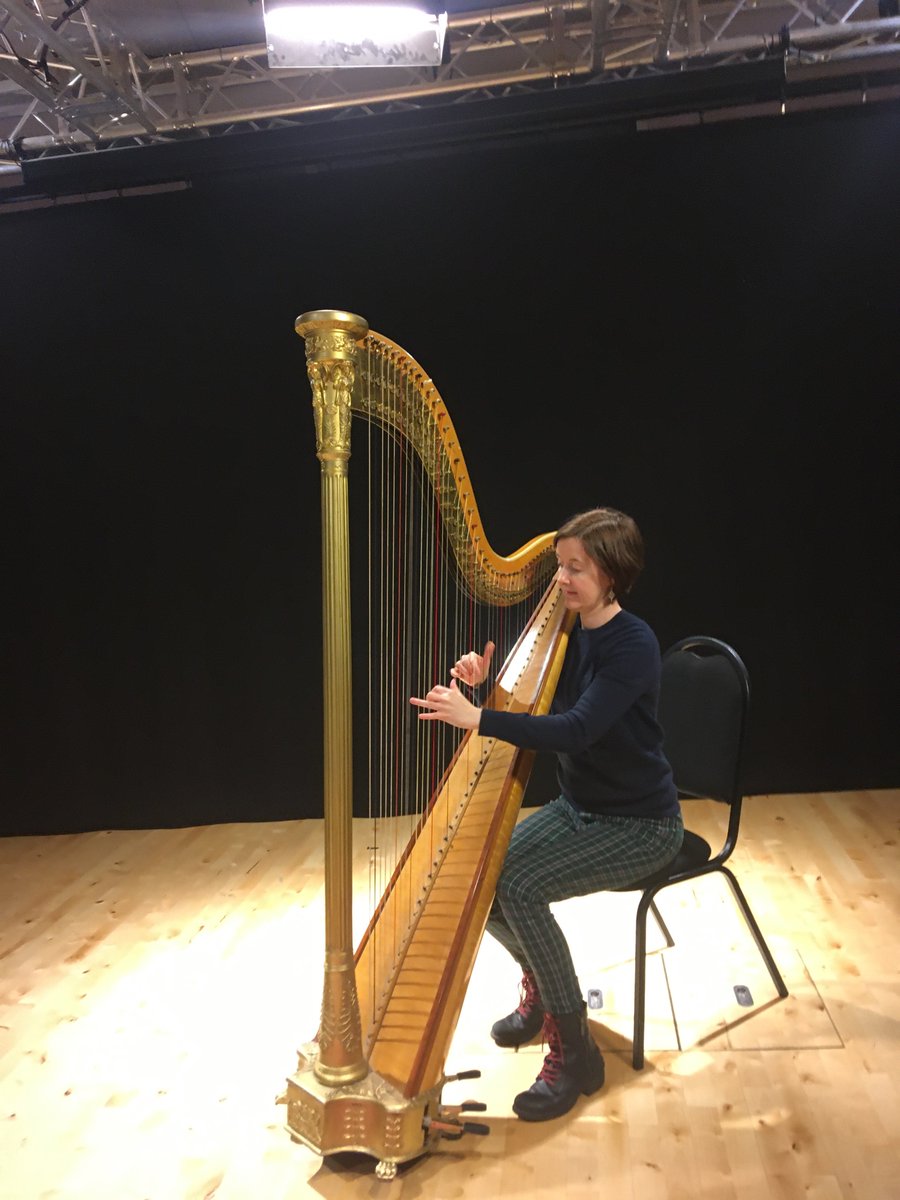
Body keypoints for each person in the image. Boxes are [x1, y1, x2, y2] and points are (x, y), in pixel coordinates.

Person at [410, 507, 683, 1122]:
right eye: (559, 567)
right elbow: (533, 706)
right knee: (477, 877)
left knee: (522, 887)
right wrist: (486, 686)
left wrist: (478, 718)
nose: (561, 580)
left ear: (612, 573)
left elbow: (577, 730)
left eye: (575, 568)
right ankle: (544, 989)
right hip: (580, 808)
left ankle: (575, 1047)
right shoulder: (567, 633)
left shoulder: (632, 643)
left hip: (641, 825)